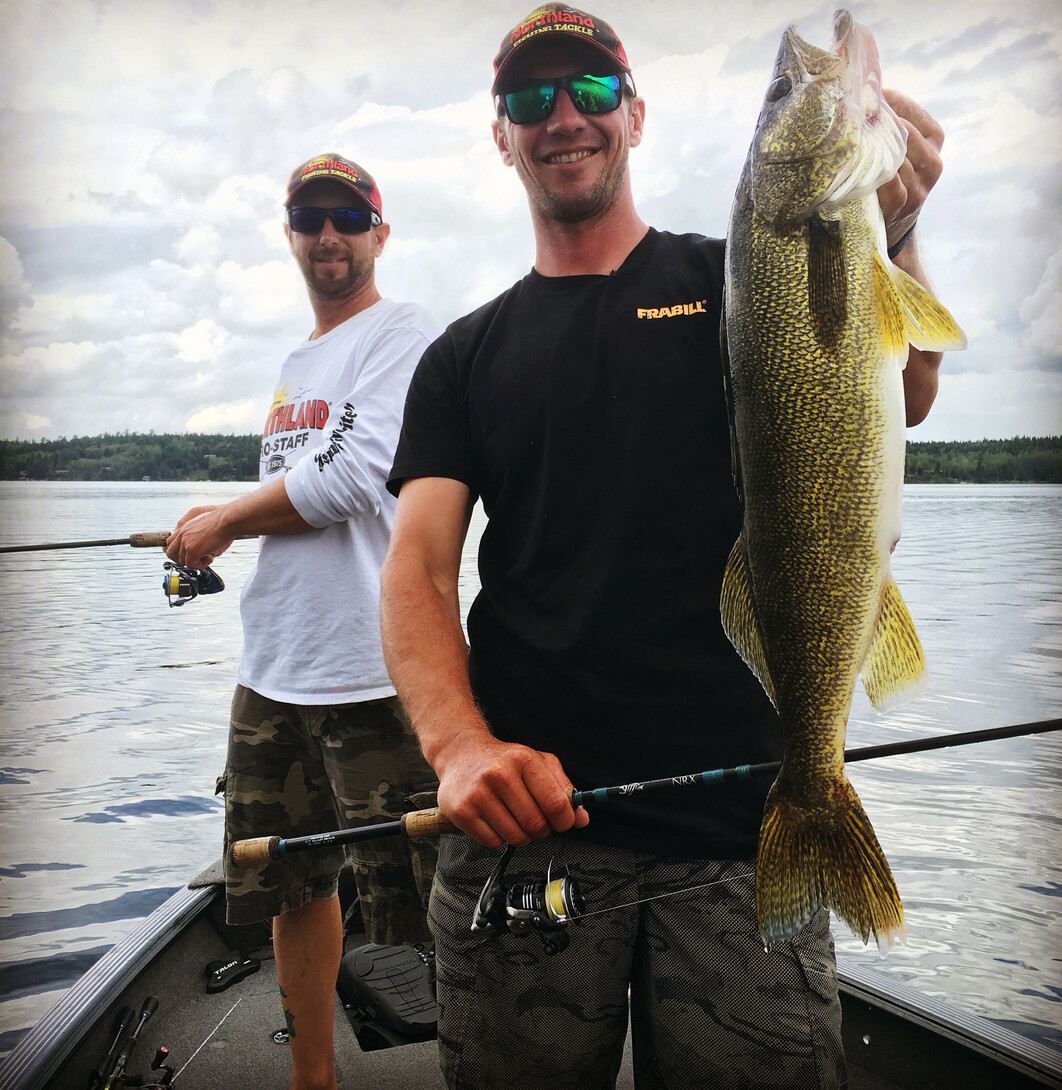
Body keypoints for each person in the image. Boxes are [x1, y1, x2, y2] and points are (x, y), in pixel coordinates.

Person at [380, 7, 949, 1089]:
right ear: (500, 134)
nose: (562, 117)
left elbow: (905, 389)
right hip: (531, 833)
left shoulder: (740, 275)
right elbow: (416, 566)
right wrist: (456, 747)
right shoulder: (461, 357)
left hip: (746, 830)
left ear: (634, 115)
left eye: (590, 92)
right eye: (529, 98)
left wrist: (897, 221)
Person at [165, 153, 440, 1090]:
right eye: (310, 217)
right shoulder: (295, 365)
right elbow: (306, 498)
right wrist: (224, 528)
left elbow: (358, 479)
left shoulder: (401, 334)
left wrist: (225, 518)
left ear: (379, 232)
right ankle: (311, 1078)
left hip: (371, 669)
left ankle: (467, 1063)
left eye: (348, 216)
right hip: (273, 666)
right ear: (291, 234)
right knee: (293, 887)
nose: (329, 234)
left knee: (419, 902)